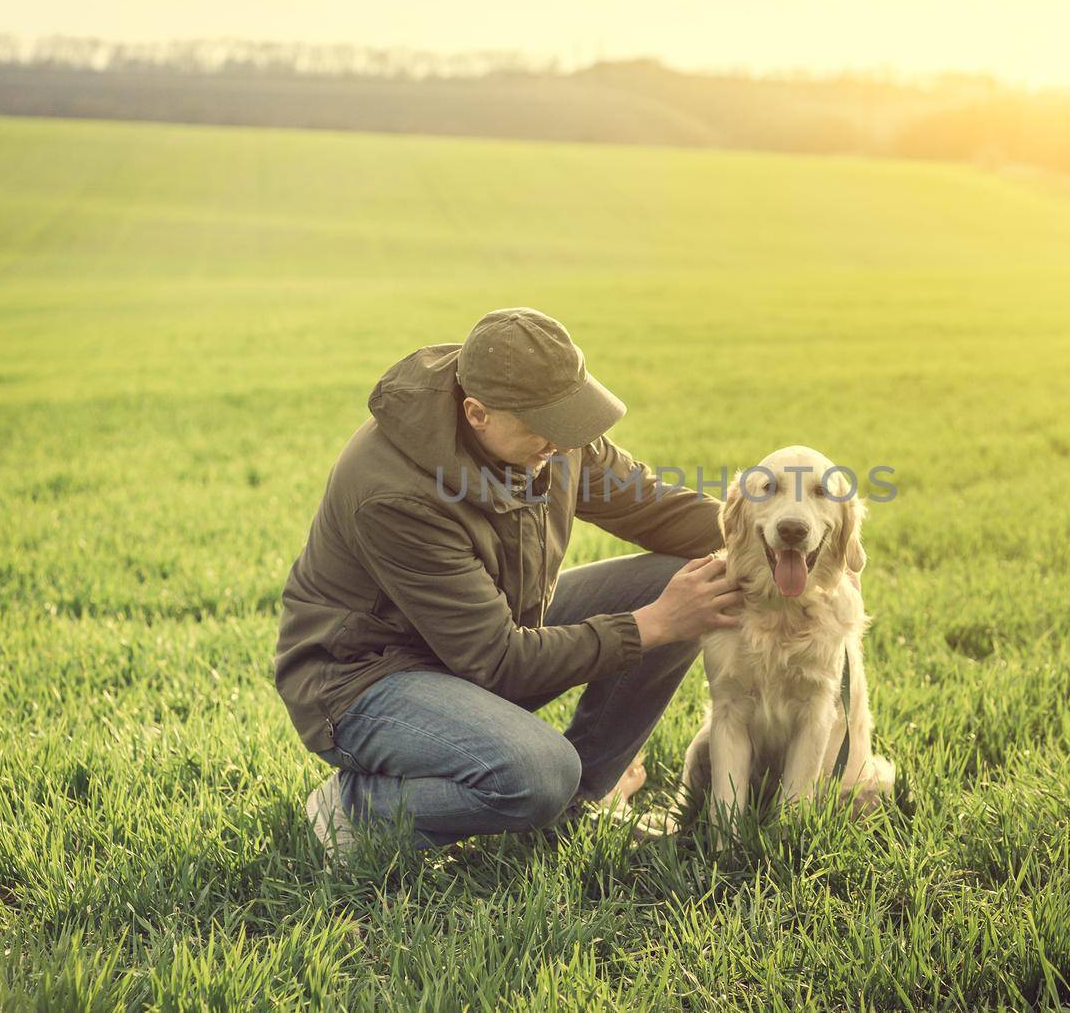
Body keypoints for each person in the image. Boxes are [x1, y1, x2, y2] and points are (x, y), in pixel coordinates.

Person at [274, 307, 742, 857]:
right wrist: (654, 624)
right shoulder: (395, 493)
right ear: (477, 414)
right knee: (540, 773)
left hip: (482, 635)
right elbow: (497, 662)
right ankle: (355, 809)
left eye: (571, 423)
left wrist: (767, 537)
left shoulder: (552, 434)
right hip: (365, 679)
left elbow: (650, 506)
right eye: (548, 429)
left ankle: (573, 811)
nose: (564, 445)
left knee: (685, 582)